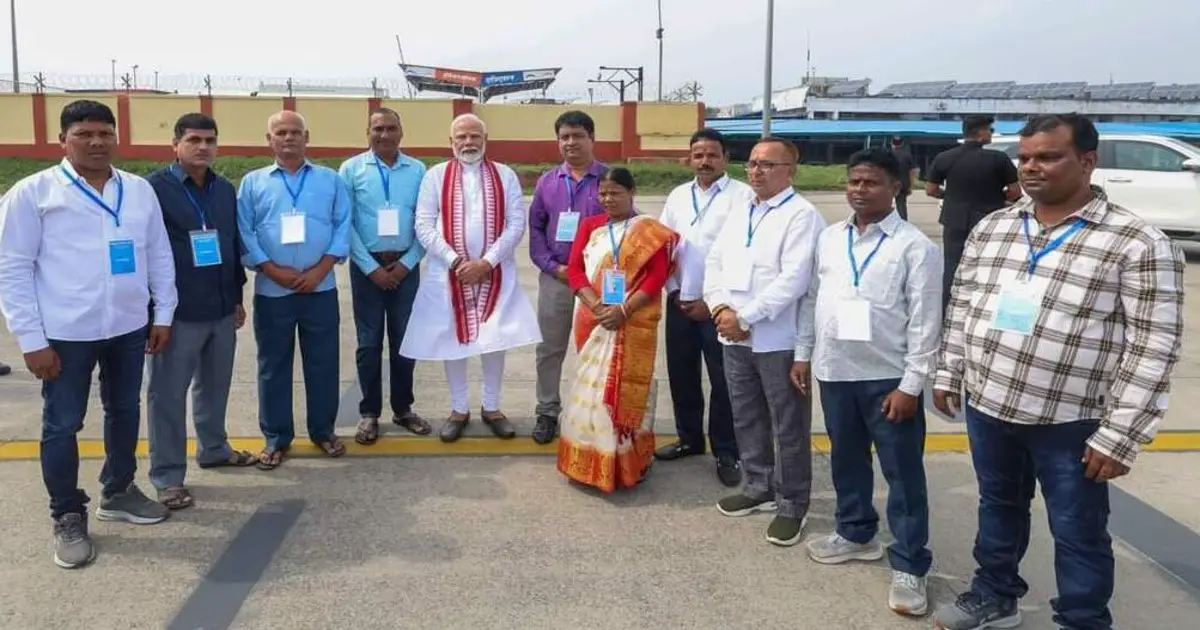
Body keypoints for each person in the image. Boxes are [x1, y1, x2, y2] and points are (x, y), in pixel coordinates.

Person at [931, 114, 1185, 630]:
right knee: (998, 506)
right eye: (1025, 158)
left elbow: (1154, 345)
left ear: (1087, 162)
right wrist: (949, 371)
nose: (1031, 168)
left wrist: (1121, 435)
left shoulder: (1135, 242)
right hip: (989, 403)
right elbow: (963, 303)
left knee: (1077, 529)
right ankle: (995, 594)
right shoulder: (996, 226)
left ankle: (1082, 618)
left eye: (1048, 157)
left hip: (1071, 419)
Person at [0, 100, 177, 569]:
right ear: (63, 140)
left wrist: (163, 314)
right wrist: (31, 340)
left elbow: (158, 254)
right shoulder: (33, 193)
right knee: (62, 424)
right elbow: (12, 269)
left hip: (127, 325)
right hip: (64, 333)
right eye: (84, 134)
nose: (97, 142)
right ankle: (67, 513)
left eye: (105, 133)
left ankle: (118, 490)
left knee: (123, 409)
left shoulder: (138, 191)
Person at [793, 148, 942, 617]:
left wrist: (911, 385)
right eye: (854, 181)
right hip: (835, 371)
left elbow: (925, 322)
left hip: (887, 379)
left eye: (871, 182)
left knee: (902, 475)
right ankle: (856, 532)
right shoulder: (831, 238)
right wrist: (803, 353)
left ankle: (910, 564)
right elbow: (813, 297)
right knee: (846, 459)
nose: (859, 190)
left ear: (897, 187)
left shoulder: (916, 247)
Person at [703, 136, 825, 547]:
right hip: (733, 336)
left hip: (778, 338)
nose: (756, 171)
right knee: (746, 414)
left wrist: (746, 317)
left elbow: (795, 280)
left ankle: (792, 503)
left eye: (768, 165)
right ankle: (758, 486)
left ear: (791, 170)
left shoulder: (802, 216)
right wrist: (720, 308)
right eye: (753, 163)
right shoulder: (741, 210)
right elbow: (715, 261)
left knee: (788, 423)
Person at [400, 114, 541, 442]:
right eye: (461, 137)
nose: (468, 142)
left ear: (485, 138)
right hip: (449, 274)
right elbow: (423, 224)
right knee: (455, 340)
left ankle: (492, 408)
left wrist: (487, 262)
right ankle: (458, 409)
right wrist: (455, 261)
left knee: (495, 339)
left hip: (495, 272)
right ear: (450, 142)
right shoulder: (435, 176)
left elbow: (516, 223)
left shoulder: (504, 175)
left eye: (474, 136)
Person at [145, 113, 257, 510]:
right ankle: (168, 476)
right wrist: (156, 312)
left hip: (222, 307)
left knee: (214, 386)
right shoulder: (153, 190)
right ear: (175, 145)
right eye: (194, 139)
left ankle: (213, 447)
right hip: (177, 313)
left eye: (210, 140)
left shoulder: (224, 189)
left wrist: (238, 298)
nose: (203, 147)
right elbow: (148, 252)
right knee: (167, 395)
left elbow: (230, 244)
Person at [237, 110, 351, 470]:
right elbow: (245, 231)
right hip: (274, 291)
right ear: (268, 139)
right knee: (273, 366)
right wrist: (272, 270)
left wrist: (320, 269)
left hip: (320, 288)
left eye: (295, 132)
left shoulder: (330, 180)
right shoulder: (254, 183)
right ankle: (275, 437)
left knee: (323, 363)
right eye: (281, 132)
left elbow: (342, 226)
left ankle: (323, 431)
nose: (289, 138)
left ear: (307, 137)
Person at [557, 167, 678, 492]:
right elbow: (576, 271)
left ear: (631, 192)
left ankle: (626, 463)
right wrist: (597, 306)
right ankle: (587, 462)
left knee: (625, 389)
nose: (608, 199)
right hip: (592, 318)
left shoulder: (649, 231)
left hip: (632, 320)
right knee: (590, 389)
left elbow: (656, 277)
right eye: (604, 194)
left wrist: (624, 309)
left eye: (616, 193)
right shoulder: (590, 226)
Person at [654, 128, 751, 487]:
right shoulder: (678, 196)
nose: (705, 161)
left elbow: (743, 255)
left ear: (725, 158)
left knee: (724, 380)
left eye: (712, 154)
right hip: (680, 300)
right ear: (689, 159)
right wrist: (676, 291)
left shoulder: (743, 197)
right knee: (681, 374)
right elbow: (663, 247)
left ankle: (727, 450)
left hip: (720, 307)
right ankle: (689, 439)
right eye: (698, 155)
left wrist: (711, 302)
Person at [339, 107, 430, 445]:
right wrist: (371, 267)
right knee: (369, 343)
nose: (385, 135)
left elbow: (426, 222)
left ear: (401, 133)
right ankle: (369, 413)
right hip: (367, 270)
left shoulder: (419, 170)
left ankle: (403, 408)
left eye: (391, 128)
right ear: (368, 133)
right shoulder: (351, 169)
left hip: (407, 267)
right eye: (377, 129)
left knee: (406, 341)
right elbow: (344, 223)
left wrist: (408, 261)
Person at [528, 111, 607, 444]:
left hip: (598, 281)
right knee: (550, 348)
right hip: (558, 277)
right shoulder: (547, 182)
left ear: (591, 138)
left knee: (602, 349)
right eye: (564, 137)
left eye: (578, 135)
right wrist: (552, 266)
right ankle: (547, 411)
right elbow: (535, 229)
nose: (571, 143)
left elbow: (629, 222)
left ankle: (600, 412)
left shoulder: (609, 178)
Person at [925, 115, 1022, 312]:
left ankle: (948, 310)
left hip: (954, 219)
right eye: (990, 130)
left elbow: (931, 189)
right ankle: (984, 309)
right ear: (980, 132)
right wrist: (998, 197)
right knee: (989, 267)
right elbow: (1015, 192)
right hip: (990, 221)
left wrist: (950, 196)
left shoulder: (944, 157)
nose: (992, 134)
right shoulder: (998, 159)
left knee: (952, 267)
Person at [889, 136, 916, 220]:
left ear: (891, 143)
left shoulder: (888, 154)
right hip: (903, 183)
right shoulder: (907, 155)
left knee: (884, 203)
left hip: (889, 183)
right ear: (902, 144)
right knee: (901, 205)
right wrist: (911, 185)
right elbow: (912, 172)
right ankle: (903, 222)